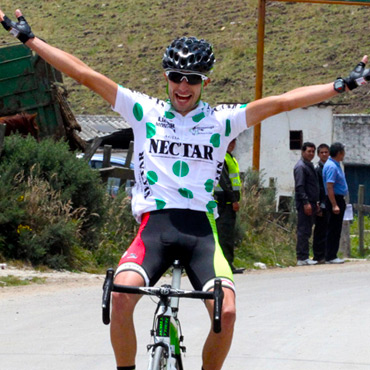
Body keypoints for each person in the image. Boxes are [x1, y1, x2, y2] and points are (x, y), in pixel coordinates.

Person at [1, 9, 368, 370]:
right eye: (176, 76)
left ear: (204, 82)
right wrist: (30, 40)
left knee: (226, 311)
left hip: (200, 232)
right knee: (120, 296)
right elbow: (83, 74)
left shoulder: (221, 120)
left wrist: (342, 84)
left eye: (192, 78)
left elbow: (283, 101)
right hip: (155, 228)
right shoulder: (144, 110)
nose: (183, 86)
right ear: (166, 76)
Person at [214, 139, 245, 274]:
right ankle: (226, 266)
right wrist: (233, 200)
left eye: (234, 143)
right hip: (224, 203)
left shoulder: (230, 158)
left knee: (227, 235)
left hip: (226, 202)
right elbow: (225, 181)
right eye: (229, 142)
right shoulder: (222, 157)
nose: (232, 145)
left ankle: (227, 264)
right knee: (224, 236)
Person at [293, 142, 320, 266]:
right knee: (303, 230)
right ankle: (302, 257)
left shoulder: (309, 166)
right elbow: (300, 186)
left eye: (313, 151)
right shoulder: (300, 167)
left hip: (312, 202)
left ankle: (305, 256)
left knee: (308, 230)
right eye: (309, 151)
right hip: (305, 203)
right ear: (303, 152)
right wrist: (305, 203)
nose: (311, 154)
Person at [323, 142, 348, 264]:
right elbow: (329, 186)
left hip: (338, 198)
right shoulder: (332, 167)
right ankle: (330, 256)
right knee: (333, 228)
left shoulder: (335, 164)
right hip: (335, 199)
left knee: (336, 228)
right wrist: (334, 204)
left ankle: (332, 254)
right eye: (343, 152)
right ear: (339, 153)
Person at [312, 143, 330, 263]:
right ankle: (318, 255)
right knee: (320, 230)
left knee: (328, 229)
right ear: (318, 155)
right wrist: (318, 203)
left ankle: (326, 254)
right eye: (322, 152)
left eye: (326, 152)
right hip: (321, 203)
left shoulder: (330, 167)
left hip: (329, 202)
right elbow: (317, 187)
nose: (324, 154)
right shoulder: (317, 169)